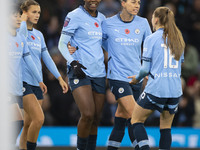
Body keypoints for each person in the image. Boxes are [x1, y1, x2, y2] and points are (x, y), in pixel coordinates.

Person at [128, 6, 185, 150]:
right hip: (175, 90)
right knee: (165, 127)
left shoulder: (151, 39)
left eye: (152, 17)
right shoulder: (179, 39)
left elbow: (145, 69)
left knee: (136, 120)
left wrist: (137, 79)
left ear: (156, 19)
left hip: (157, 88)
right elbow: (177, 65)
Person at [101, 0, 151, 149]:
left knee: (122, 118)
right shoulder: (108, 23)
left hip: (136, 78)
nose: (137, 5)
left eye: (139, 2)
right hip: (117, 77)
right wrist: (73, 48)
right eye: (133, 2)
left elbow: (150, 48)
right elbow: (97, 42)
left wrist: (147, 70)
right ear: (123, 3)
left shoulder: (143, 23)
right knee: (136, 116)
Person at [18, 1, 68, 150]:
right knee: (39, 119)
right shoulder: (20, 31)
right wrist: (22, 19)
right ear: (25, 13)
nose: (37, 15)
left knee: (28, 123)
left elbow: (46, 57)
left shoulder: (39, 35)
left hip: (37, 82)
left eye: (39, 12)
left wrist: (59, 78)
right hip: (23, 82)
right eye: (33, 12)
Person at [58, 0, 106, 149]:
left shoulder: (102, 18)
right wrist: (73, 62)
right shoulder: (74, 16)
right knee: (88, 114)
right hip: (79, 70)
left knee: (96, 118)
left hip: (99, 72)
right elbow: (61, 44)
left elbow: (106, 44)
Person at [7, 3, 47, 148]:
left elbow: (29, 60)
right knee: (19, 122)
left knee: (24, 122)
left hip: (17, 87)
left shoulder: (21, 39)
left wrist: (39, 80)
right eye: (15, 16)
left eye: (19, 16)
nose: (18, 19)